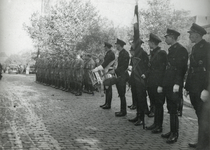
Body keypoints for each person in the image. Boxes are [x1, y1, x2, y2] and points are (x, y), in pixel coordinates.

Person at [184, 23, 210, 149]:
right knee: (200, 115)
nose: (189, 36)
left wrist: (206, 88)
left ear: (198, 34)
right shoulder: (195, 48)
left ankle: (203, 142)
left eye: (191, 34)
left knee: (203, 116)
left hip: (202, 88)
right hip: (194, 87)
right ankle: (201, 140)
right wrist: (187, 87)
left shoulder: (207, 47)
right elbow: (191, 69)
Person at [161, 29, 188, 144]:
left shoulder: (181, 50)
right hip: (169, 83)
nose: (165, 39)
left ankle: (174, 134)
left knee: (174, 110)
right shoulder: (171, 49)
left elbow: (181, 69)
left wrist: (177, 83)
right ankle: (172, 131)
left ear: (172, 37)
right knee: (170, 108)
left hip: (174, 85)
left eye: (166, 37)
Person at [145, 33, 167, 133]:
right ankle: (155, 124)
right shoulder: (153, 53)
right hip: (152, 83)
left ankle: (159, 126)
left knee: (159, 105)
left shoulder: (161, 53)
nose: (148, 43)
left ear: (153, 43)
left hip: (158, 83)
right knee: (154, 104)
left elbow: (163, 70)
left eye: (149, 42)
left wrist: (161, 85)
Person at [128, 38, 149, 126]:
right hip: (134, 79)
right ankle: (138, 115)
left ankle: (141, 118)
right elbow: (132, 66)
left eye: (133, 43)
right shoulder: (135, 54)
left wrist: (144, 74)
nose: (131, 44)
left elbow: (147, 66)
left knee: (141, 99)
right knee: (136, 98)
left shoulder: (143, 54)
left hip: (140, 79)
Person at [92, 42, 115, 109]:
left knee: (108, 88)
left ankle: (108, 104)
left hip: (109, 71)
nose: (104, 48)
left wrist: (97, 68)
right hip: (107, 71)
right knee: (106, 88)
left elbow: (105, 64)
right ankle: (106, 103)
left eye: (105, 47)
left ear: (107, 47)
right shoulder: (109, 53)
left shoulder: (110, 54)